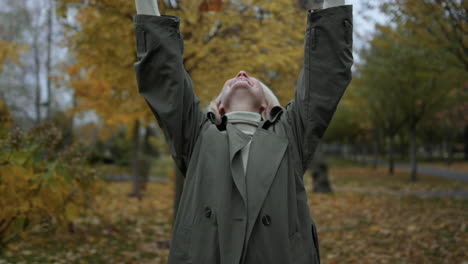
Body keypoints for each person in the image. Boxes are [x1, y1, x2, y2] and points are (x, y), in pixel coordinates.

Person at [133, 0, 353, 263]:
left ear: (265, 106)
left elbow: (324, 76)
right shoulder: (197, 137)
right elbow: (163, 76)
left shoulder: (289, 135)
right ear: (220, 106)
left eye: (252, 79)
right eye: (232, 80)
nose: (241, 73)